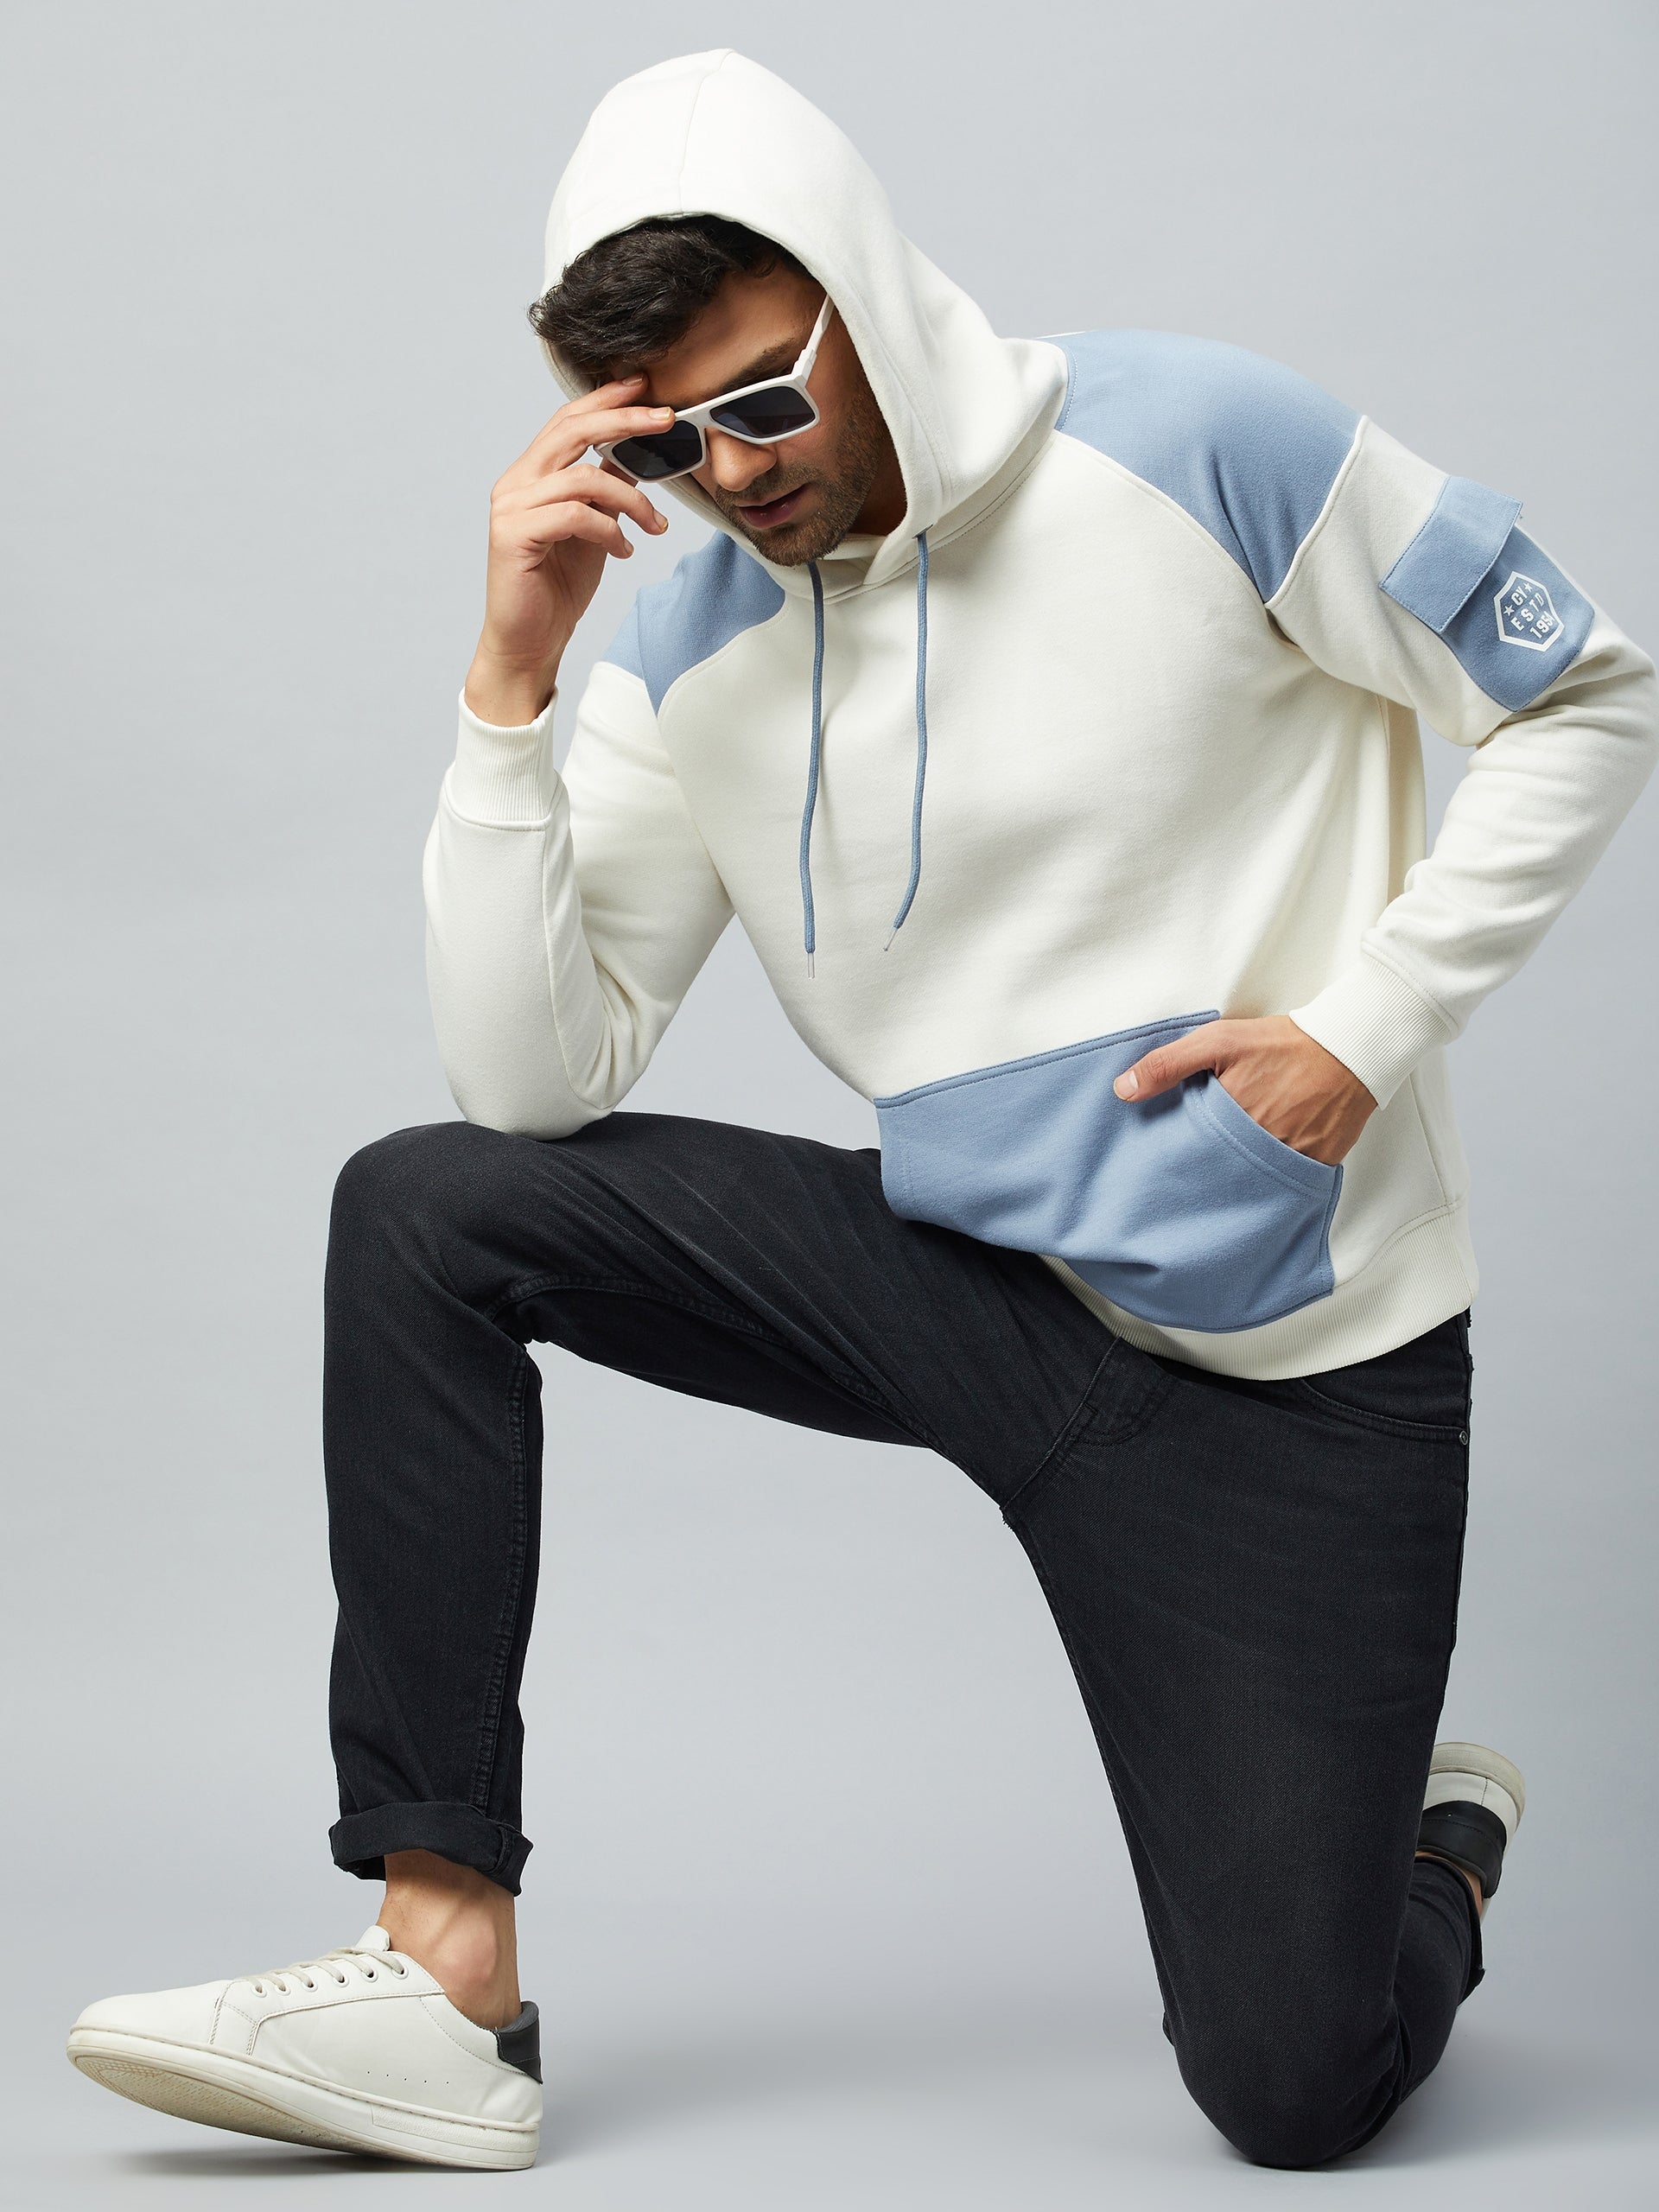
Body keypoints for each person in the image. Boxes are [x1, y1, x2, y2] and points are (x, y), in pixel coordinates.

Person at [67, 48, 1656, 2175]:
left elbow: (1588, 687)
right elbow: (534, 1079)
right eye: (669, 436)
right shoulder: (689, 644)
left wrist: (1366, 1026)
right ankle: (444, 1975)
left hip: (1293, 1362)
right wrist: (513, 686)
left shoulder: (1202, 441)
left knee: (1296, 2087)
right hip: (972, 1294)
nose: (731, 473)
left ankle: (1430, 1844)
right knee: (429, 1207)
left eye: (762, 398)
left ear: (867, 298)